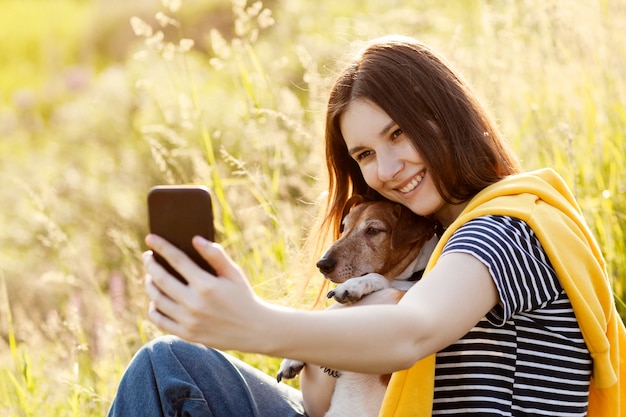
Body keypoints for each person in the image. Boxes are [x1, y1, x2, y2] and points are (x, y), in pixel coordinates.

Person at [107, 35, 625, 417]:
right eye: (365, 154)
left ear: (446, 115)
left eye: (398, 133)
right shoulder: (427, 247)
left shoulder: (505, 228)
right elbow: (317, 404)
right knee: (170, 363)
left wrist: (251, 323)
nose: (388, 168)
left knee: (169, 369)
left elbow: (410, 332)